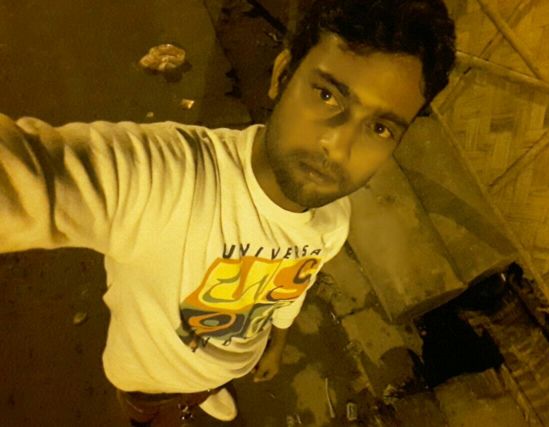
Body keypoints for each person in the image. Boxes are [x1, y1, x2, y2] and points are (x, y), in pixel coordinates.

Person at [0, 0, 455, 424]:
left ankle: (207, 390)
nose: (339, 146)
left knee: (214, 382)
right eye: (327, 96)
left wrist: (275, 343)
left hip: (231, 363)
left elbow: (290, 289)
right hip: (150, 384)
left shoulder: (333, 221)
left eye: (379, 128)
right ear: (282, 75)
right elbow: (30, 179)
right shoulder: (170, 178)